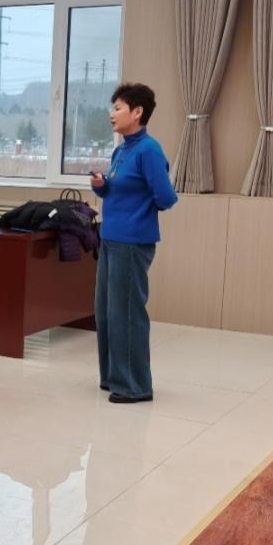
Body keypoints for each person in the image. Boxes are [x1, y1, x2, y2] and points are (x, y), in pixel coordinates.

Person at [90, 83, 178, 404]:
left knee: (126, 313)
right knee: (106, 312)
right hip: (111, 237)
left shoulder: (149, 150)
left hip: (132, 241)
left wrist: (140, 210)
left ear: (137, 112)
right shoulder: (122, 150)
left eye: (118, 108)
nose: (111, 114)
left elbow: (166, 197)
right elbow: (117, 189)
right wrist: (102, 185)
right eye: (112, 108)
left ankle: (135, 386)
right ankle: (113, 377)